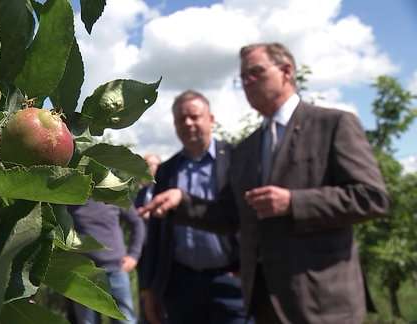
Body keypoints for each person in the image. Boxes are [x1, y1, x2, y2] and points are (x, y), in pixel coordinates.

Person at [138, 43, 389, 324]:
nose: (247, 82)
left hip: (322, 300)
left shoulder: (332, 125)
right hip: (263, 302)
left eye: (256, 72)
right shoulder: (247, 148)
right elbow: (232, 215)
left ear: (286, 71)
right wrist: (181, 202)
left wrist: (294, 203)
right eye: (243, 77)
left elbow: (372, 197)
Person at [139, 91, 246, 324]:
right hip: (180, 283)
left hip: (230, 279)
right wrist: (149, 288)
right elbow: (156, 233)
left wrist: (247, 266)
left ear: (211, 119)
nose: (188, 123)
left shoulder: (237, 158)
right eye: (181, 119)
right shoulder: (167, 170)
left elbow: (248, 216)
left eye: (194, 116)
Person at [68, 197, 146, 324]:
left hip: (116, 270)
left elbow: (136, 222)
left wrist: (134, 255)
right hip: (83, 275)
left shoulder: (111, 193)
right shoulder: (67, 200)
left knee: (125, 320)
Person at [133, 153, 161, 324]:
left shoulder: (167, 190)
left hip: (163, 254)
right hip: (145, 255)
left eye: (149, 164)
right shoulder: (141, 194)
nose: (145, 168)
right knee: (146, 301)